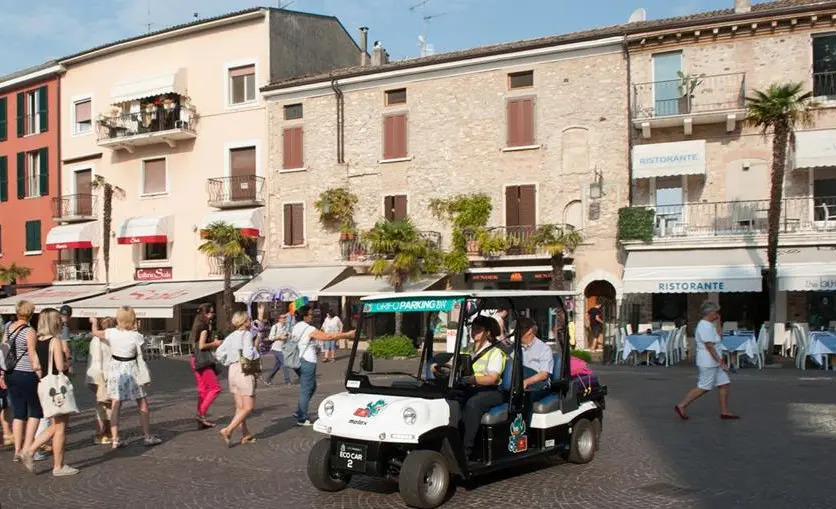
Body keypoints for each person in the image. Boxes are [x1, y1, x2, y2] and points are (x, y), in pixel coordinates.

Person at [90, 308, 163, 448]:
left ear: (118, 319)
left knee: (116, 404)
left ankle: (115, 438)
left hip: (116, 369)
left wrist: (93, 322)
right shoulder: (136, 336)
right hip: (131, 369)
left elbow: (95, 333)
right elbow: (142, 349)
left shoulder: (111, 333)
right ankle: (147, 436)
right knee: (142, 403)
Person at [21, 308, 78, 476]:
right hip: (57, 386)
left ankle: (29, 450)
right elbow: (60, 367)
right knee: (60, 428)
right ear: (54, 322)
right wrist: (69, 362)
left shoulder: (37, 340)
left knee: (55, 424)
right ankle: (58, 466)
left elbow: (37, 365)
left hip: (44, 384)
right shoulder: (55, 340)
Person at [445, 315, 507, 460]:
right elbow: (451, 365)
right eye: (473, 329)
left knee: (473, 404)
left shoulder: (495, 352)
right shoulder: (466, 349)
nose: (474, 332)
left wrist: (473, 379)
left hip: (490, 391)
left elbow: (493, 378)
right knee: (447, 400)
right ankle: (446, 442)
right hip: (469, 387)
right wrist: (437, 368)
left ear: (488, 332)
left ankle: (465, 451)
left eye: (478, 329)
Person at [675, 301, 740, 421]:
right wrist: (721, 362)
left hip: (714, 360)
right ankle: (682, 405)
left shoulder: (710, 325)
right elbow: (709, 346)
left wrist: (718, 322)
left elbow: (719, 337)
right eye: (716, 312)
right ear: (710, 312)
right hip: (708, 361)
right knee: (704, 386)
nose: (717, 314)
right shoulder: (704, 326)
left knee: (724, 383)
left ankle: (725, 411)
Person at [291, 305, 355, 426]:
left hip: (297, 361)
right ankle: (302, 417)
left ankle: (300, 411)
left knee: (312, 386)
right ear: (304, 316)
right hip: (307, 361)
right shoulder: (308, 328)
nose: (312, 316)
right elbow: (328, 337)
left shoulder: (296, 327)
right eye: (310, 314)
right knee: (306, 389)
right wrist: (347, 335)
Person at [4, 300, 46, 463]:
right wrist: (39, 374)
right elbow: (32, 355)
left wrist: (2, 373)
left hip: (10, 373)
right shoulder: (29, 331)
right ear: (31, 313)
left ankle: (17, 450)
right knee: (35, 411)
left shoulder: (7, 328)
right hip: (26, 373)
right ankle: (28, 448)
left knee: (18, 412)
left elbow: (3, 349)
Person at [217, 311, 259, 446]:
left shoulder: (231, 336)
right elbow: (249, 354)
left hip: (233, 370)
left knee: (240, 407)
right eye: (249, 320)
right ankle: (228, 429)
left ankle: (245, 434)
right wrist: (255, 350)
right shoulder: (246, 335)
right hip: (243, 370)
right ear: (245, 321)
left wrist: (228, 360)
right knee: (248, 407)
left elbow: (219, 353)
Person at [189, 303, 222, 429]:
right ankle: (200, 414)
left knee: (203, 390)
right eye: (211, 312)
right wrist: (215, 343)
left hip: (194, 359)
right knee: (215, 388)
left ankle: (201, 419)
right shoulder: (203, 327)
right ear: (206, 313)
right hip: (202, 360)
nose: (213, 314)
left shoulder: (197, 325)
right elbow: (202, 345)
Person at [86, 317, 114, 445]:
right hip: (107, 375)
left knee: (102, 406)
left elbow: (96, 360)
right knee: (107, 406)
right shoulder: (112, 339)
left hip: (99, 375)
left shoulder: (97, 340)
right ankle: (106, 432)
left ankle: (102, 433)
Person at [516, 317, 554, 392]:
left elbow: (543, 374)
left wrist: (526, 382)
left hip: (538, 384)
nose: (516, 332)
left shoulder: (544, 349)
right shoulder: (513, 347)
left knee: (519, 368)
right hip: (517, 382)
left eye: (520, 330)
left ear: (529, 331)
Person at [263, 313, 292, 386]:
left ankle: (268, 379)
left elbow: (287, 334)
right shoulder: (275, 327)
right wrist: (279, 337)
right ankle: (287, 381)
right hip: (276, 348)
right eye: (282, 318)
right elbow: (270, 337)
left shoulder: (286, 327)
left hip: (282, 348)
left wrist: (288, 335)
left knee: (277, 365)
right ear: (279, 319)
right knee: (285, 363)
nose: (284, 319)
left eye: (285, 318)